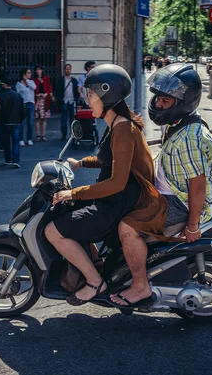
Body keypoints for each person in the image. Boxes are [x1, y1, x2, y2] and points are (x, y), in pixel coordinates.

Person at [44, 64, 167, 306]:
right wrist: (80, 164)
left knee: (53, 231)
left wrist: (75, 192)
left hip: (121, 201)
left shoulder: (122, 129)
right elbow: (107, 159)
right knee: (69, 211)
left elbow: (116, 182)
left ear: (106, 94)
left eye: (90, 94)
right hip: (119, 197)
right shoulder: (118, 124)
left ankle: (93, 281)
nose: (87, 99)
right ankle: (96, 263)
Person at [109, 63, 212, 309]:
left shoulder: (190, 136)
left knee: (127, 228)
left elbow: (198, 185)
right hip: (168, 193)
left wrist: (193, 226)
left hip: (180, 201)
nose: (158, 104)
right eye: (158, 98)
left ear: (184, 101)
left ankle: (140, 286)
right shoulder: (177, 124)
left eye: (165, 101)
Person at [0, 76, 25, 168]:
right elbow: (23, 110)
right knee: (16, 141)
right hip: (16, 121)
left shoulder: (1, 95)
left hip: (5, 122)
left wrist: (0, 119)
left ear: (5, 85)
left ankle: (8, 159)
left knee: (6, 142)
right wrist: (20, 120)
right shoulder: (17, 95)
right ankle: (16, 160)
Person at [55, 63, 81, 140]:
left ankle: (72, 135)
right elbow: (58, 91)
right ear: (64, 70)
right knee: (64, 119)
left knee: (72, 119)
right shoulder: (61, 80)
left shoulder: (74, 80)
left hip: (72, 101)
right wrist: (60, 100)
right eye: (66, 69)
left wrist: (77, 99)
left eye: (69, 69)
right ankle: (64, 135)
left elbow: (77, 90)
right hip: (65, 101)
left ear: (71, 70)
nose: (68, 70)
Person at [15, 68, 36, 146]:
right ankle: (21, 139)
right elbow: (17, 94)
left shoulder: (31, 82)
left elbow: (34, 88)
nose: (29, 74)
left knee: (30, 122)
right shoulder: (19, 84)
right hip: (23, 104)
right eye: (28, 73)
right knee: (22, 123)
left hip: (31, 104)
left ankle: (29, 138)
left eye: (30, 73)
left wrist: (27, 80)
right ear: (23, 74)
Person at [33, 65, 53, 142]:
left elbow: (49, 88)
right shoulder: (34, 80)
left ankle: (43, 135)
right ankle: (38, 135)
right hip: (37, 100)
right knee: (37, 118)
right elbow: (33, 89)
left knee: (44, 118)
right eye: (37, 70)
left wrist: (46, 93)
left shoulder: (46, 78)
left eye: (40, 69)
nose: (38, 71)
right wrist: (36, 94)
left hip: (45, 100)